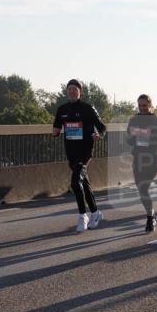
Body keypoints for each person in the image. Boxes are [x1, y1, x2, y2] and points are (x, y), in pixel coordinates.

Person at [52, 79, 107, 232]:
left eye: (75, 89)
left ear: (80, 92)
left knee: (76, 182)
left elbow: (102, 127)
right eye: (69, 89)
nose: (71, 91)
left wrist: (98, 135)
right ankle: (95, 213)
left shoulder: (88, 108)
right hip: (71, 153)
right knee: (84, 184)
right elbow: (56, 129)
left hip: (85, 152)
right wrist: (55, 132)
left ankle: (83, 216)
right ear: (66, 91)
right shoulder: (62, 109)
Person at [127, 95, 157, 232]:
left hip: (152, 158)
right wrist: (133, 136)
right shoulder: (133, 120)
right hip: (138, 158)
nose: (142, 108)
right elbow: (128, 140)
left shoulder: (156, 120)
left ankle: (150, 217)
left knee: (144, 187)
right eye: (140, 105)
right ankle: (151, 215)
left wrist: (148, 136)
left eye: (144, 105)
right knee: (141, 189)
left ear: (150, 105)